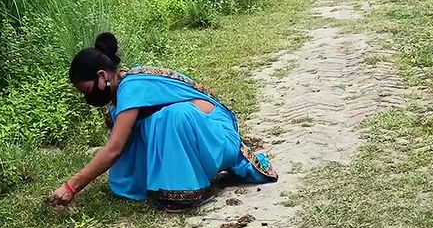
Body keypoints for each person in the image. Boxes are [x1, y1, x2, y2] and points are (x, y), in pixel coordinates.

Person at [47, 32, 277, 210]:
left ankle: (187, 189)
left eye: (87, 90)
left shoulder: (131, 87)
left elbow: (114, 150)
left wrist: (72, 186)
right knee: (136, 124)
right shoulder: (127, 85)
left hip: (216, 137)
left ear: (102, 76)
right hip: (204, 134)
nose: (88, 98)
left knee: (170, 117)